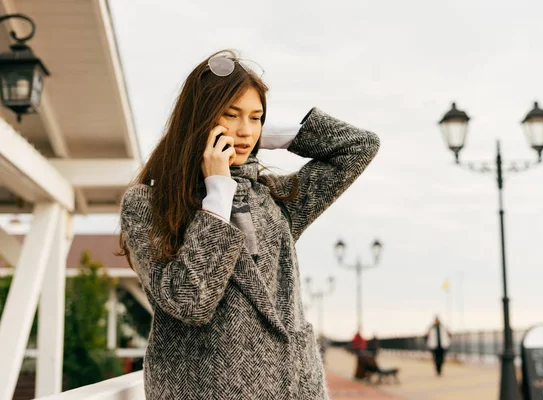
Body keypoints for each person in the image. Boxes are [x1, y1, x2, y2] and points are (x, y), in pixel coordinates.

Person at [118, 49, 380, 399]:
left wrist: (277, 136)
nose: (244, 130)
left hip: (294, 388)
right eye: (231, 114)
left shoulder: (276, 198)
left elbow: (359, 147)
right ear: (200, 118)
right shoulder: (147, 204)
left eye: (255, 118)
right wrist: (217, 192)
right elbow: (191, 301)